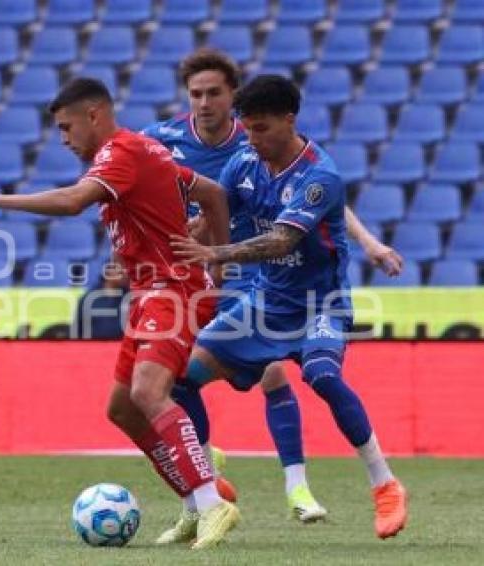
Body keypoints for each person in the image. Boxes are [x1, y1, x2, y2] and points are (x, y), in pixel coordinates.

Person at [0, 78, 240, 550]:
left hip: (173, 289)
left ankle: (213, 503)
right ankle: (193, 504)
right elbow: (210, 192)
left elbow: (72, 201)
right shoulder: (146, 152)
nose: (64, 140)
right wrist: (218, 260)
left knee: (149, 391)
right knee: (123, 408)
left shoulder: (121, 151)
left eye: (66, 128)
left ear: (94, 116)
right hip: (150, 292)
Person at [142, 49, 405, 532]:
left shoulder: (318, 176)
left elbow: (283, 240)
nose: (252, 138)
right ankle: (206, 483)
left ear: (289, 120)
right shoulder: (244, 163)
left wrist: (217, 256)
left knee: (322, 377)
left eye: (261, 128)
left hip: (319, 303)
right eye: (249, 127)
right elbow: (212, 214)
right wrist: (179, 249)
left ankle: (384, 484)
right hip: (263, 302)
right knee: (180, 379)